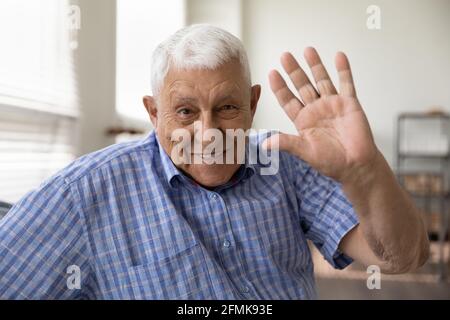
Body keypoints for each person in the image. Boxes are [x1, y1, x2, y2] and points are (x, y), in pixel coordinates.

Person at [0, 24, 429, 299]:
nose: (208, 134)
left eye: (227, 108)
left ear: (253, 102)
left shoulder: (285, 161)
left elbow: (401, 258)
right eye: (185, 111)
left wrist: (366, 173)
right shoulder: (83, 192)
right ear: (153, 114)